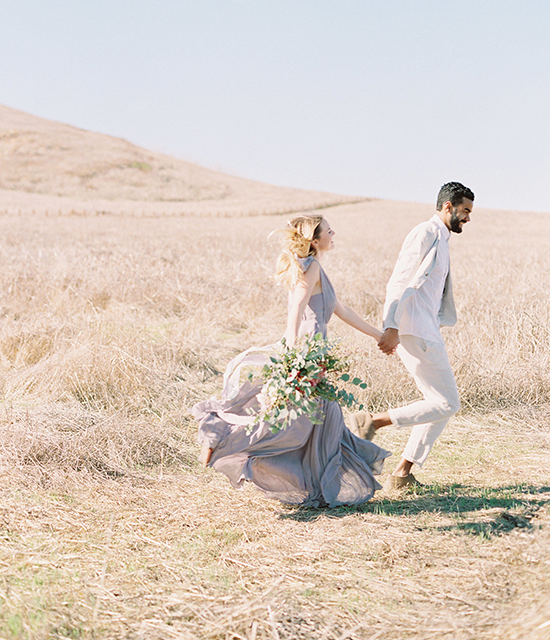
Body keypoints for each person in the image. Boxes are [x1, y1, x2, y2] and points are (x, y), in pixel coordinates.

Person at [192, 214, 390, 508]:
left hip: (315, 352)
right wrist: (293, 347)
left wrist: (379, 335)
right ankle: (220, 432)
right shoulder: (312, 268)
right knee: (296, 422)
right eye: (328, 230)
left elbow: (342, 310)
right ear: (315, 240)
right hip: (308, 352)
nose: (334, 233)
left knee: (320, 422)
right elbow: (297, 305)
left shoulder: (314, 270)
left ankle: (319, 489)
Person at [349, 182, 474, 490]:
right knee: (448, 403)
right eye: (465, 211)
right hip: (412, 330)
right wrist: (391, 327)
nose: (468, 218)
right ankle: (374, 422)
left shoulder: (442, 240)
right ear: (448, 206)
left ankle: (403, 473)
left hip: (424, 329)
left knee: (440, 402)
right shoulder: (426, 233)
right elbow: (400, 280)